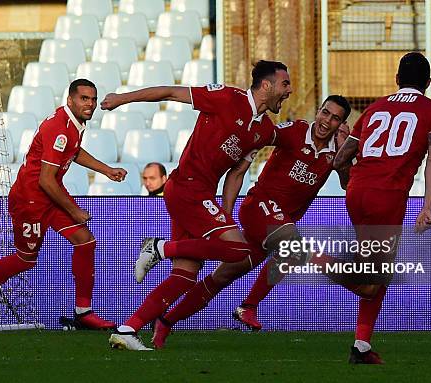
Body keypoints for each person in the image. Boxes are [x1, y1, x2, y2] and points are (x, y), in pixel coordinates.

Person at [100, 60, 292, 350]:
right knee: (238, 250)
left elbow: (236, 173)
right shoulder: (227, 98)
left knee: (184, 276)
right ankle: (159, 248)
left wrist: (225, 216)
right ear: (267, 85)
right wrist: (121, 99)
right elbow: (169, 92)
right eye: (285, 84)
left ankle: (128, 329)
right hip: (187, 187)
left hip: (202, 195)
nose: (289, 91)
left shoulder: (263, 130)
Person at [150, 95, 352, 348]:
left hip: (278, 224)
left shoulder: (337, 149)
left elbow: (347, 183)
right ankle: (245, 304)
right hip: (259, 207)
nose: (327, 121)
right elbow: (261, 136)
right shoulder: (295, 131)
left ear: (341, 123)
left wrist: (345, 154)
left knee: (221, 278)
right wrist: (242, 161)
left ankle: (165, 323)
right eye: (325, 113)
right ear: (318, 112)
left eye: (335, 118)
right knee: (293, 249)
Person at [0, 79, 127, 330]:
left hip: (50, 195)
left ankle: (83, 312)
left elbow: (74, 151)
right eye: (84, 99)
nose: (90, 104)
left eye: (92, 99)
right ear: (70, 100)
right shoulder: (60, 127)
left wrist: (106, 169)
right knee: (25, 260)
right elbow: (46, 180)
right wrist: (74, 210)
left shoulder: (72, 124)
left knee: (86, 242)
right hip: (31, 200)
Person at [333, 52, 431, 364]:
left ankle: (362, 346)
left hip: (358, 193)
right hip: (388, 195)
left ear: (396, 80)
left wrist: (349, 182)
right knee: (371, 282)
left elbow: (339, 159)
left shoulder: (373, 108)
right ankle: (312, 258)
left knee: (378, 273)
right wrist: (428, 206)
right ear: (427, 83)